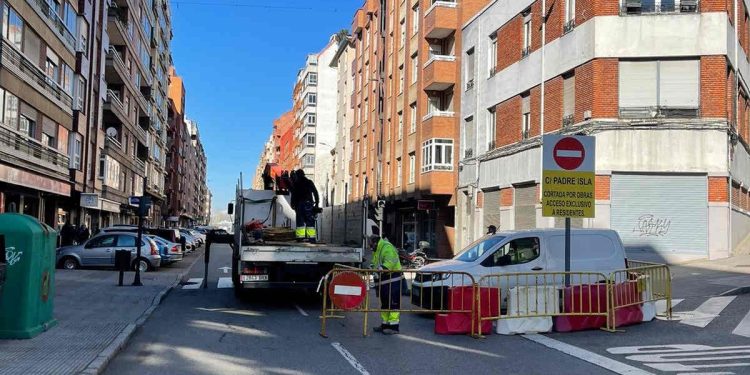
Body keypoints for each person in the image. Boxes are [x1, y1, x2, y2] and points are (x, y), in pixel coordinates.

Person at [370, 230, 403, 335]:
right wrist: (371, 268)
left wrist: (379, 271)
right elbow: (374, 262)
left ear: (375, 242)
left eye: (371, 245)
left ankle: (394, 327)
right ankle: (385, 324)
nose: (370, 247)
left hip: (393, 279)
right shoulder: (377, 249)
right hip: (384, 280)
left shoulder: (387, 247)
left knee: (393, 303)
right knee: (385, 303)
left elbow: (389, 263)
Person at [289, 169, 319, 242]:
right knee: (310, 221)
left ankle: (300, 238)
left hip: (299, 204)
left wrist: (292, 204)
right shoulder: (309, 182)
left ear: (298, 175)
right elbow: (315, 192)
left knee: (300, 221)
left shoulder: (296, 183)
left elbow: (294, 194)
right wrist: (317, 203)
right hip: (308, 204)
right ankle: (311, 239)